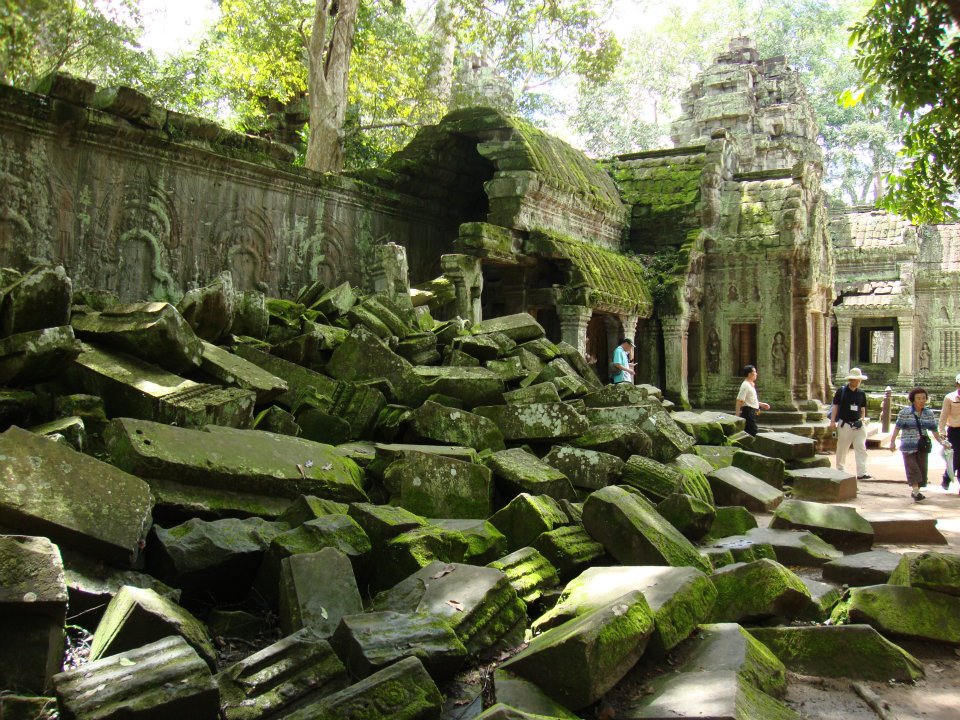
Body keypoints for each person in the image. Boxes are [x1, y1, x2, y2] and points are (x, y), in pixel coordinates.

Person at [890, 387, 944, 502]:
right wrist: (892, 441)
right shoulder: (904, 413)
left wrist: (941, 442)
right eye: (919, 398)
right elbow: (897, 427)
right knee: (913, 469)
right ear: (913, 400)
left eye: (924, 398)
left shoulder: (928, 413)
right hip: (908, 445)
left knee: (922, 470)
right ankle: (916, 492)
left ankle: (916, 491)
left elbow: (934, 429)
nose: (922, 401)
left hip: (922, 446)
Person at [829, 367, 870, 479]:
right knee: (842, 447)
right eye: (856, 380)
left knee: (861, 447)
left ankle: (862, 472)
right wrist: (833, 421)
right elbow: (835, 407)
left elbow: (862, 408)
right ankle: (840, 469)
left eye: (859, 380)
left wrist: (862, 420)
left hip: (858, 424)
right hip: (845, 423)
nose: (858, 382)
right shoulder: (841, 392)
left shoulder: (861, 393)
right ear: (850, 380)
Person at [939, 373, 960, 491]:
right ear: (957, 385)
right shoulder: (950, 398)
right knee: (956, 458)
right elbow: (943, 416)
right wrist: (942, 433)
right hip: (954, 431)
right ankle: (946, 477)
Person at [735, 364, 770, 436]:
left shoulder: (750, 385)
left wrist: (761, 404)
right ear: (749, 374)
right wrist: (737, 416)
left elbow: (750, 400)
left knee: (749, 431)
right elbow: (739, 400)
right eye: (754, 372)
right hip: (748, 412)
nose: (756, 374)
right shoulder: (745, 385)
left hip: (753, 411)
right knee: (753, 431)